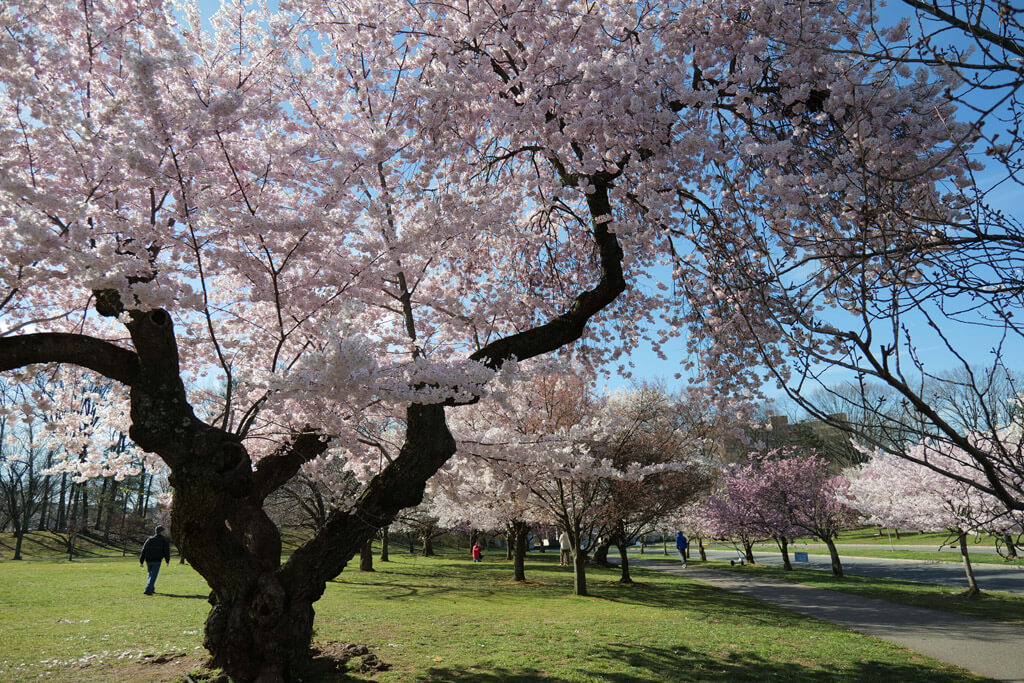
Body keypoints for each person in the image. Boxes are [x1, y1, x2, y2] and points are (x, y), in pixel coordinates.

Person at [140, 525, 171, 595]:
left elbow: (143, 550)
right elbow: (166, 551)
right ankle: (148, 589)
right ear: (161, 532)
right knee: (153, 575)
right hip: (157, 560)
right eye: (163, 531)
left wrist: (141, 561)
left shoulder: (149, 539)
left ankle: (152, 588)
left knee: (150, 574)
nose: (164, 533)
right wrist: (167, 560)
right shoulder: (163, 540)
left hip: (148, 560)